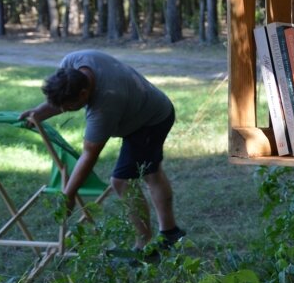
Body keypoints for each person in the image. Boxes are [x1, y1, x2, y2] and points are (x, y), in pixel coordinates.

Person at [20, 49, 185, 258]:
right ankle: (170, 232)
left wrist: (68, 195)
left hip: (151, 121)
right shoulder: (71, 63)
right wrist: (39, 112)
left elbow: (89, 155)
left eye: (69, 107)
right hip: (145, 106)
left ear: (83, 94)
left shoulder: (105, 103)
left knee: (122, 181)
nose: (65, 109)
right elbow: (61, 100)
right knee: (152, 172)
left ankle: (145, 247)